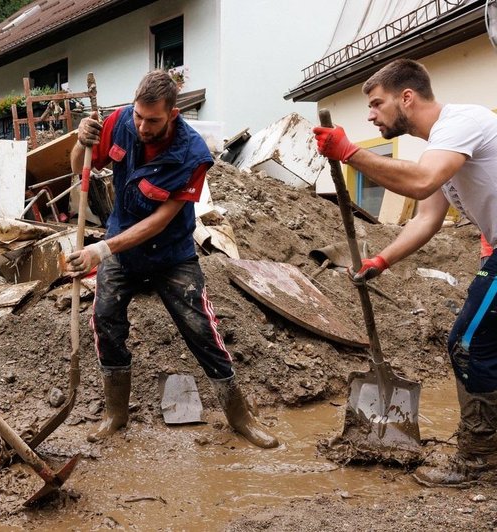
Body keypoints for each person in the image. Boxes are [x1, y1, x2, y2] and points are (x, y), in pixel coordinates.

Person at [67, 70, 279, 449]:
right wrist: (79, 141)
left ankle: (239, 415)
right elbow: (78, 166)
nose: (142, 126)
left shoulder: (192, 155)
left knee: (200, 327)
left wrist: (102, 249)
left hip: (170, 253)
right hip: (122, 244)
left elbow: (160, 220)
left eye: (153, 120)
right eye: (138, 116)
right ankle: (116, 412)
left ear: (173, 114)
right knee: (104, 318)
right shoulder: (117, 122)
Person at [313, 58, 497, 487]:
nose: (371, 114)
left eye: (377, 104)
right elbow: (426, 217)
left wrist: (350, 153)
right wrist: (381, 261)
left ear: (407, 98)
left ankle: (482, 459)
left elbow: (418, 183)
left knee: (468, 343)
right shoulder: (437, 146)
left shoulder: (462, 122)